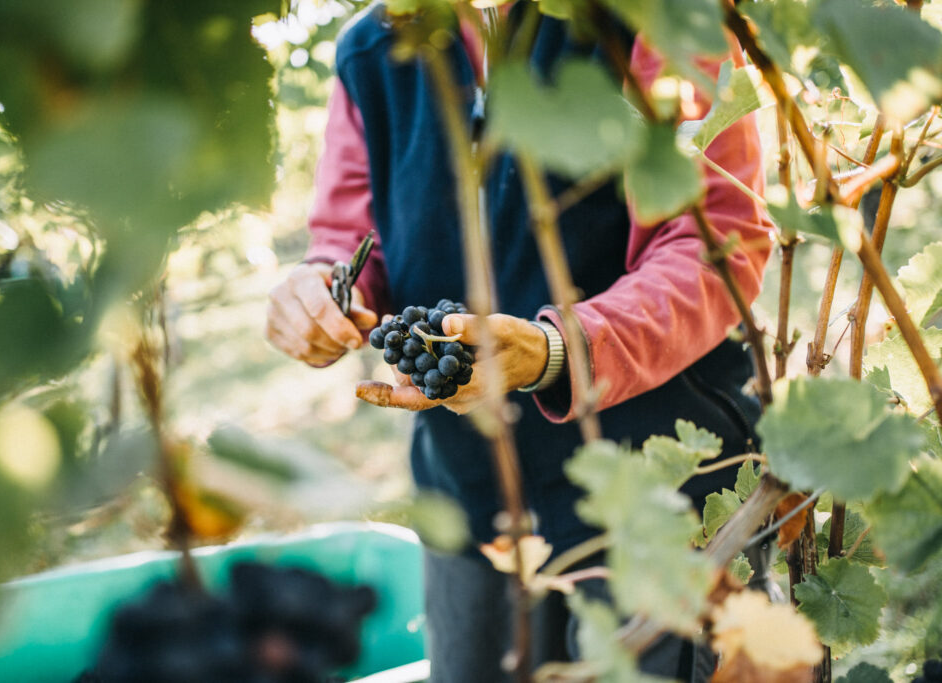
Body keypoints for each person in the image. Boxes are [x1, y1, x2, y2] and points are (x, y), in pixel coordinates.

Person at [265, 3, 772, 680]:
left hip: (658, 491)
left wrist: (558, 350)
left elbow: (716, 246)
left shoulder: (660, 18)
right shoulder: (371, 49)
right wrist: (323, 290)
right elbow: (351, 239)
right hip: (468, 504)